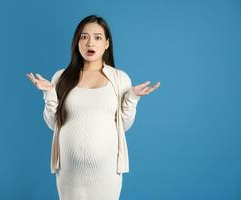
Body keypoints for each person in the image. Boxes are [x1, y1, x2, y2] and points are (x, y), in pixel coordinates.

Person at [26, 14, 161, 200]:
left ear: (107, 43)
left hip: (106, 173)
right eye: (84, 37)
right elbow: (53, 124)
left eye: (98, 37)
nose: (90, 43)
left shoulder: (119, 79)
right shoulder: (61, 77)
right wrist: (49, 93)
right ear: (77, 42)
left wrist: (132, 97)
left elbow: (124, 126)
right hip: (69, 172)